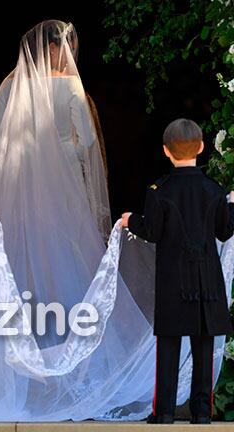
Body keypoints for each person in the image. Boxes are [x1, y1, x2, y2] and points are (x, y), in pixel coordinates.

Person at [0, 20, 234, 422]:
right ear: (59, 50)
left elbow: (0, 144)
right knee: (70, 267)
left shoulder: (8, 87)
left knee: (11, 269)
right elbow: (85, 141)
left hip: (16, 191)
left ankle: (3, 374)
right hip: (63, 194)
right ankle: (68, 371)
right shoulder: (71, 88)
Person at [121, 119, 234, 424]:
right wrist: (232, 205)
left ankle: (165, 413)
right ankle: (201, 413)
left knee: (168, 348)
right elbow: (225, 231)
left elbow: (152, 231)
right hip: (207, 281)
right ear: (201, 147)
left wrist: (130, 219)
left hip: (173, 282)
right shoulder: (214, 190)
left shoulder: (159, 190)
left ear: (165, 152)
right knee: (203, 346)